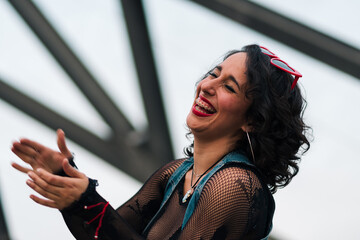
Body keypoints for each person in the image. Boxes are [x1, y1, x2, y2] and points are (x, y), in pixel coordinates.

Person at [11, 44, 311, 240]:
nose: (207, 86)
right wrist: (67, 179)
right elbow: (111, 232)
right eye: (213, 74)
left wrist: (84, 200)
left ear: (252, 121)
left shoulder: (232, 186)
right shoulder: (177, 174)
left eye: (228, 87)